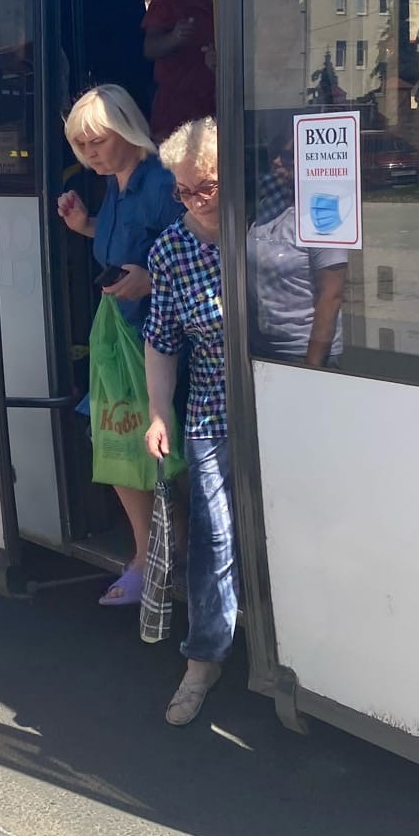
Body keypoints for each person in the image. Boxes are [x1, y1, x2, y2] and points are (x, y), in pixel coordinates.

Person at [54, 85, 181, 605]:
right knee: (116, 438)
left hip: (160, 335)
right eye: (80, 146)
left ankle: (160, 557)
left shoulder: (162, 181)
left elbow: (194, 249)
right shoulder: (116, 184)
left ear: (128, 130)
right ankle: (148, 554)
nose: (89, 155)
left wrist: (151, 279)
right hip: (121, 332)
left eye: (96, 142)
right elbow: (124, 244)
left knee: (152, 448)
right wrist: (84, 225)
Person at [142, 117, 236, 726]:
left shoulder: (270, 221)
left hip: (287, 401)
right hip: (210, 406)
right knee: (215, 537)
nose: (193, 201)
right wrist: (157, 413)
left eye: (204, 187)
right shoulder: (170, 249)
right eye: (183, 190)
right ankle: (204, 658)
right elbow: (162, 341)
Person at [247, 138, 346, 365]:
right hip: (258, 348)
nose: (276, 162)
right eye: (277, 154)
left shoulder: (322, 213)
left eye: (287, 156)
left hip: (302, 352)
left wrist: (311, 367)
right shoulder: (268, 205)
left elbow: (332, 295)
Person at [141, 0, 217, 138]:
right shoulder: (168, 3)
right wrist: (174, 38)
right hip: (177, 110)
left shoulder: (234, 2)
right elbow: (149, 48)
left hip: (222, 105)